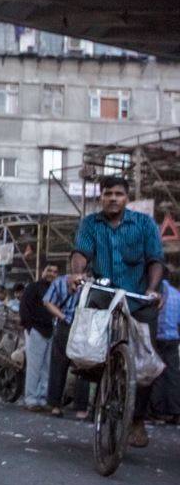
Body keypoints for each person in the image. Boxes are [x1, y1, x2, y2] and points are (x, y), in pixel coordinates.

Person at [70, 176, 164, 448]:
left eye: (118, 194)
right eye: (108, 193)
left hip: (137, 297)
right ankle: (94, 377)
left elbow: (155, 259)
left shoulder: (144, 224)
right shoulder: (91, 224)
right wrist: (77, 274)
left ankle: (137, 419)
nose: (113, 198)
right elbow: (81, 253)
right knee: (86, 342)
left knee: (146, 358)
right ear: (101, 197)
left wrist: (153, 289)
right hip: (104, 294)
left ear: (127, 198)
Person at [43, 271, 92, 419]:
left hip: (77, 326)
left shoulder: (89, 284)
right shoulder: (61, 282)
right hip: (71, 326)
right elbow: (47, 302)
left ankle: (64, 406)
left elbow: (47, 301)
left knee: (79, 366)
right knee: (68, 366)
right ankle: (63, 407)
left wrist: (62, 316)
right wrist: (63, 316)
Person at [19, 266, 57, 411]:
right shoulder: (33, 288)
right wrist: (29, 327)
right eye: (49, 270)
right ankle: (31, 399)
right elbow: (24, 307)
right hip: (36, 330)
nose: (51, 274)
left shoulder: (56, 290)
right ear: (43, 272)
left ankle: (42, 399)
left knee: (47, 367)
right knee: (34, 367)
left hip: (50, 331)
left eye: (55, 272)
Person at [150, 278, 180, 422]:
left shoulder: (154, 293)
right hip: (173, 338)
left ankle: (158, 410)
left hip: (157, 337)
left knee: (156, 374)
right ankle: (175, 410)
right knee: (173, 374)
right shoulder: (177, 294)